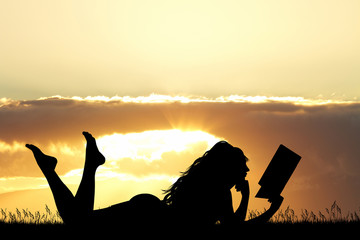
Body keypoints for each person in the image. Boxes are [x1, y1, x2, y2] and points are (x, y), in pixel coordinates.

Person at [26, 132, 283, 230]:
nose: (247, 173)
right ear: (230, 169)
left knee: (79, 222)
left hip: (148, 210)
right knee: (78, 222)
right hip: (148, 218)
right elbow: (235, 231)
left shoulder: (207, 185)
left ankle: (79, 166)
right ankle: (69, 168)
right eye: (244, 168)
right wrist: (252, 199)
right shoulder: (219, 193)